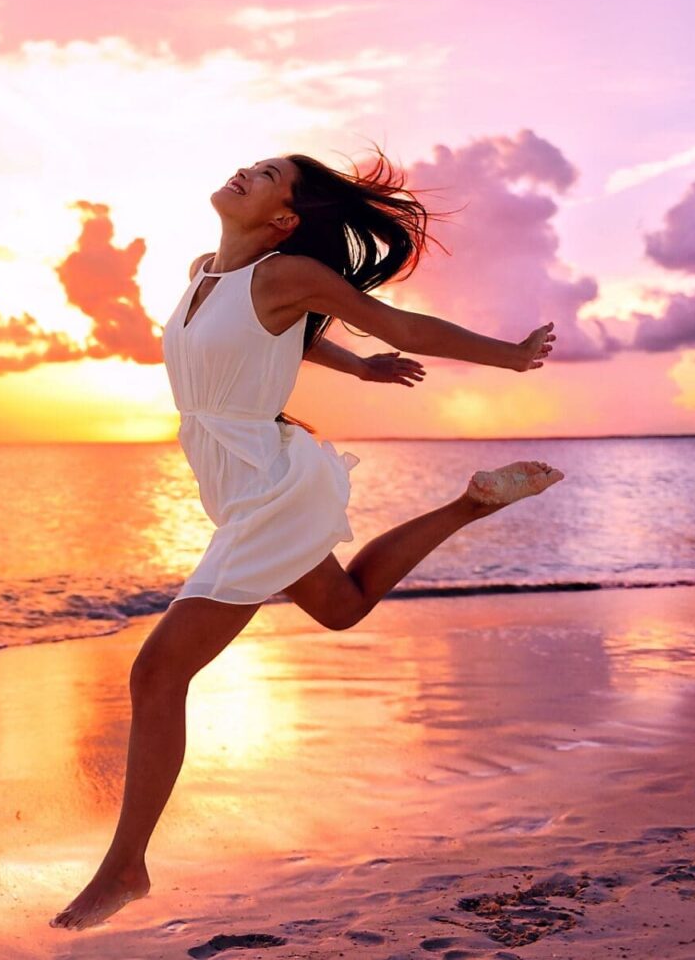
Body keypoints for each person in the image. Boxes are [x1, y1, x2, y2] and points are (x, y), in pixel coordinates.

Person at [50, 150, 565, 931]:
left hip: (263, 482)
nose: (242, 174)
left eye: (263, 178)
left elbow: (402, 322)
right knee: (341, 604)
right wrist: (356, 369)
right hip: (232, 480)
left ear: (285, 220)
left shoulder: (290, 273)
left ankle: (125, 867)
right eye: (250, 166)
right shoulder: (205, 270)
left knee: (158, 672)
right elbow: (266, 339)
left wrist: (511, 354)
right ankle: (470, 503)